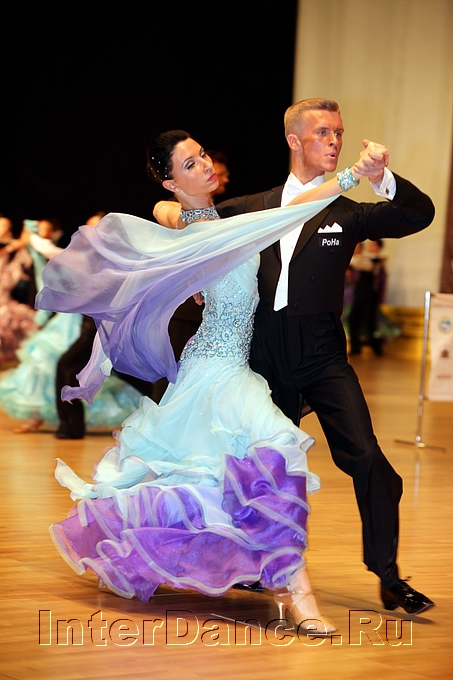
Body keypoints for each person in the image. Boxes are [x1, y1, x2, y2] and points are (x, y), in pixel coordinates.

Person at [36, 130, 387, 634]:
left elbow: (170, 210)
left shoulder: (215, 222)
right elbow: (290, 208)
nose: (204, 165)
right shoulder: (205, 231)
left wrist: (174, 211)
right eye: (190, 164)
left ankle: (283, 588)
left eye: (202, 155)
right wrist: (353, 174)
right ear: (171, 180)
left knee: (232, 475)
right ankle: (302, 603)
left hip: (226, 366)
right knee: (266, 462)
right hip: (215, 369)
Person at [217, 98, 435, 615]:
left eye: (338, 132)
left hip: (322, 354)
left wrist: (383, 178)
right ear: (294, 140)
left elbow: (418, 213)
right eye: (323, 132)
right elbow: (193, 222)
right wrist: (172, 215)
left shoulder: (348, 212)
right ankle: (256, 566)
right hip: (263, 355)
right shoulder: (254, 206)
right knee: (261, 467)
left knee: (368, 458)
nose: (335, 141)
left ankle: (388, 576)